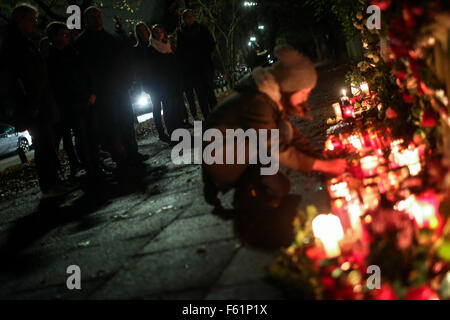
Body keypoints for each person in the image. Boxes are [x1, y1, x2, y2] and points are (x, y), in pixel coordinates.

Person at [202, 45, 348, 247]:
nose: (306, 98)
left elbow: (293, 136)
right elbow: (278, 148)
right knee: (278, 159)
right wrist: (322, 166)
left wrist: (316, 159)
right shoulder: (258, 102)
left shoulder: (269, 97)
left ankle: (254, 193)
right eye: (304, 92)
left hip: (239, 150)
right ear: (290, 88)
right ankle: (248, 203)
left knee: (282, 175)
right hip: (223, 159)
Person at [0, 4, 78, 198]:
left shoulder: (22, 42)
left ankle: (54, 182)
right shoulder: (15, 44)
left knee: (47, 144)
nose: (35, 23)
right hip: (34, 105)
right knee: (43, 144)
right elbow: (19, 77)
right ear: (20, 19)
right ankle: (51, 185)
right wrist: (31, 104)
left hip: (38, 103)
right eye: (31, 19)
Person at [76, 7, 148, 175]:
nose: (97, 19)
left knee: (126, 121)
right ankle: (120, 157)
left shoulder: (111, 38)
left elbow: (124, 60)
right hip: (103, 92)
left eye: (98, 15)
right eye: (92, 16)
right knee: (111, 125)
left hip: (120, 88)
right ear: (86, 20)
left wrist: (128, 79)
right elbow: (85, 70)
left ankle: (132, 152)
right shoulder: (83, 43)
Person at [46, 21, 106, 185]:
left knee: (92, 134)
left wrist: (92, 92)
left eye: (67, 34)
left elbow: (87, 73)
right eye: (63, 34)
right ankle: (90, 168)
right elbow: (57, 84)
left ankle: (97, 165)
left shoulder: (74, 53)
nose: (67, 37)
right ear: (54, 37)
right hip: (71, 103)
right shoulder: (51, 59)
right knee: (82, 137)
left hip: (86, 99)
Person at [145, 24, 185, 143]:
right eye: (156, 32)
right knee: (168, 110)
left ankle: (181, 133)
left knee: (176, 109)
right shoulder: (151, 49)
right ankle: (174, 135)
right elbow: (151, 69)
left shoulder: (168, 46)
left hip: (173, 82)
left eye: (161, 31)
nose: (159, 34)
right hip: (162, 84)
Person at [177, 9, 217, 120]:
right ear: (183, 19)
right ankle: (208, 117)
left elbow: (211, 44)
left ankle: (217, 115)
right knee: (200, 95)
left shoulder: (202, 28)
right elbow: (180, 51)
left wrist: (204, 54)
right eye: (187, 17)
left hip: (205, 65)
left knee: (210, 92)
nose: (190, 18)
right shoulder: (181, 32)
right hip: (192, 69)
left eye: (191, 16)